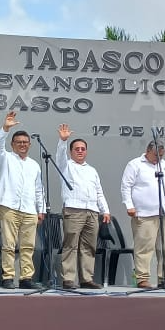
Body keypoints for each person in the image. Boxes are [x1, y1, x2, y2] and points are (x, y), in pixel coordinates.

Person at [120, 140, 165, 289]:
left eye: (162, 155)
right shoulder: (135, 164)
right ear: (148, 151)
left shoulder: (164, 165)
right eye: (156, 155)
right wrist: (129, 205)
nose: (159, 158)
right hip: (144, 213)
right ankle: (142, 278)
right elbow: (126, 186)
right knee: (144, 248)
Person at [56, 123, 111, 289]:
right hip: (73, 210)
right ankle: (68, 279)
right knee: (70, 245)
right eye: (77, 149)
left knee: (89, 247)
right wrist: (63, 141)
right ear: (71, 151)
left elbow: (99, 192)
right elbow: (59, 156)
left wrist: (105, 210)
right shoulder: (66, 166)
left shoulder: (92, 170)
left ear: (86, 151)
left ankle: (86, 279)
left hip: (92, 212)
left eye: (83, 149)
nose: (80, 151)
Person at [0, 113, 44, 289]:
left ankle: (26, 278)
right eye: (19, 142)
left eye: (25, 142)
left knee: (28, 246)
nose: (22, 145)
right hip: (9, 206)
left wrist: (41, 209)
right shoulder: (5, 158)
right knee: (8, 245)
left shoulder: (34, 165)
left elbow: (39, 189)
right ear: (12, 144)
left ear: (29, 144)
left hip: (29, 209)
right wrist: (5, 129)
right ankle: (7, 277)